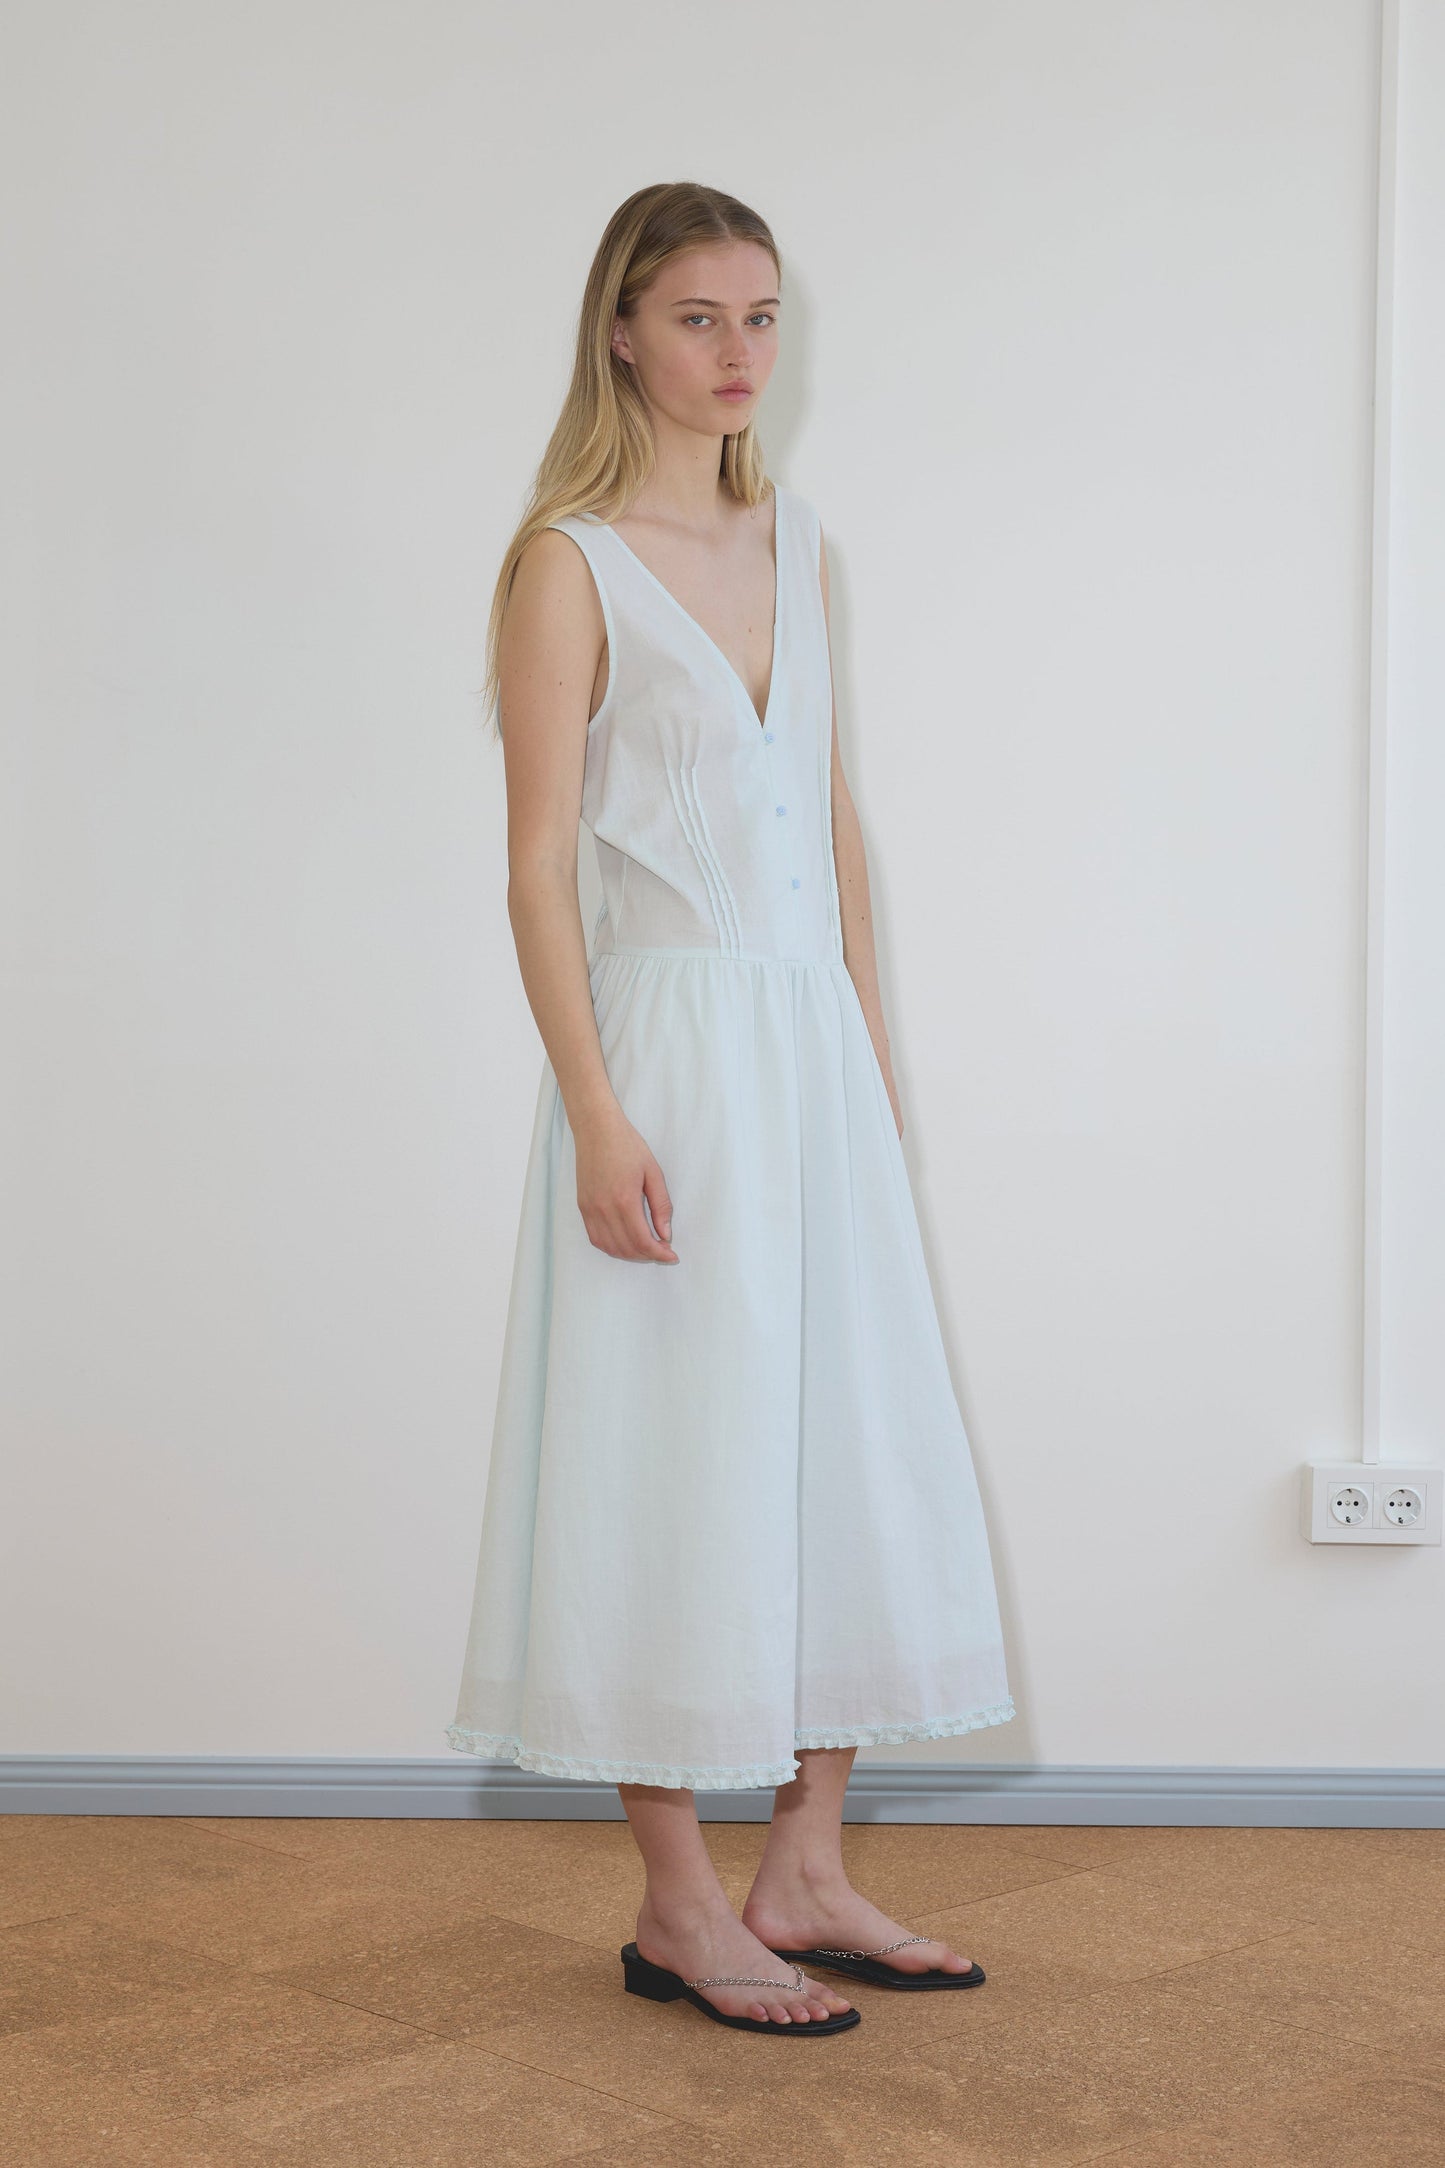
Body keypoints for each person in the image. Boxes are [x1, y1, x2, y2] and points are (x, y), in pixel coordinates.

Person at [447, 181, 1015, 2038]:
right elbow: (539, 868)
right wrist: (595, 1109)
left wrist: (873, 1055)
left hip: (810, 1057)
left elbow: (831, 814)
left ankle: (809, 1861)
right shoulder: (569, 560)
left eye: (761, 316)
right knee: (666, 1451)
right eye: (697, 316)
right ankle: (681, 1902)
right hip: (670, 1056)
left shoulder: (800, 537)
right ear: (622, 329)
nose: (736, 353)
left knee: (847, 1432)